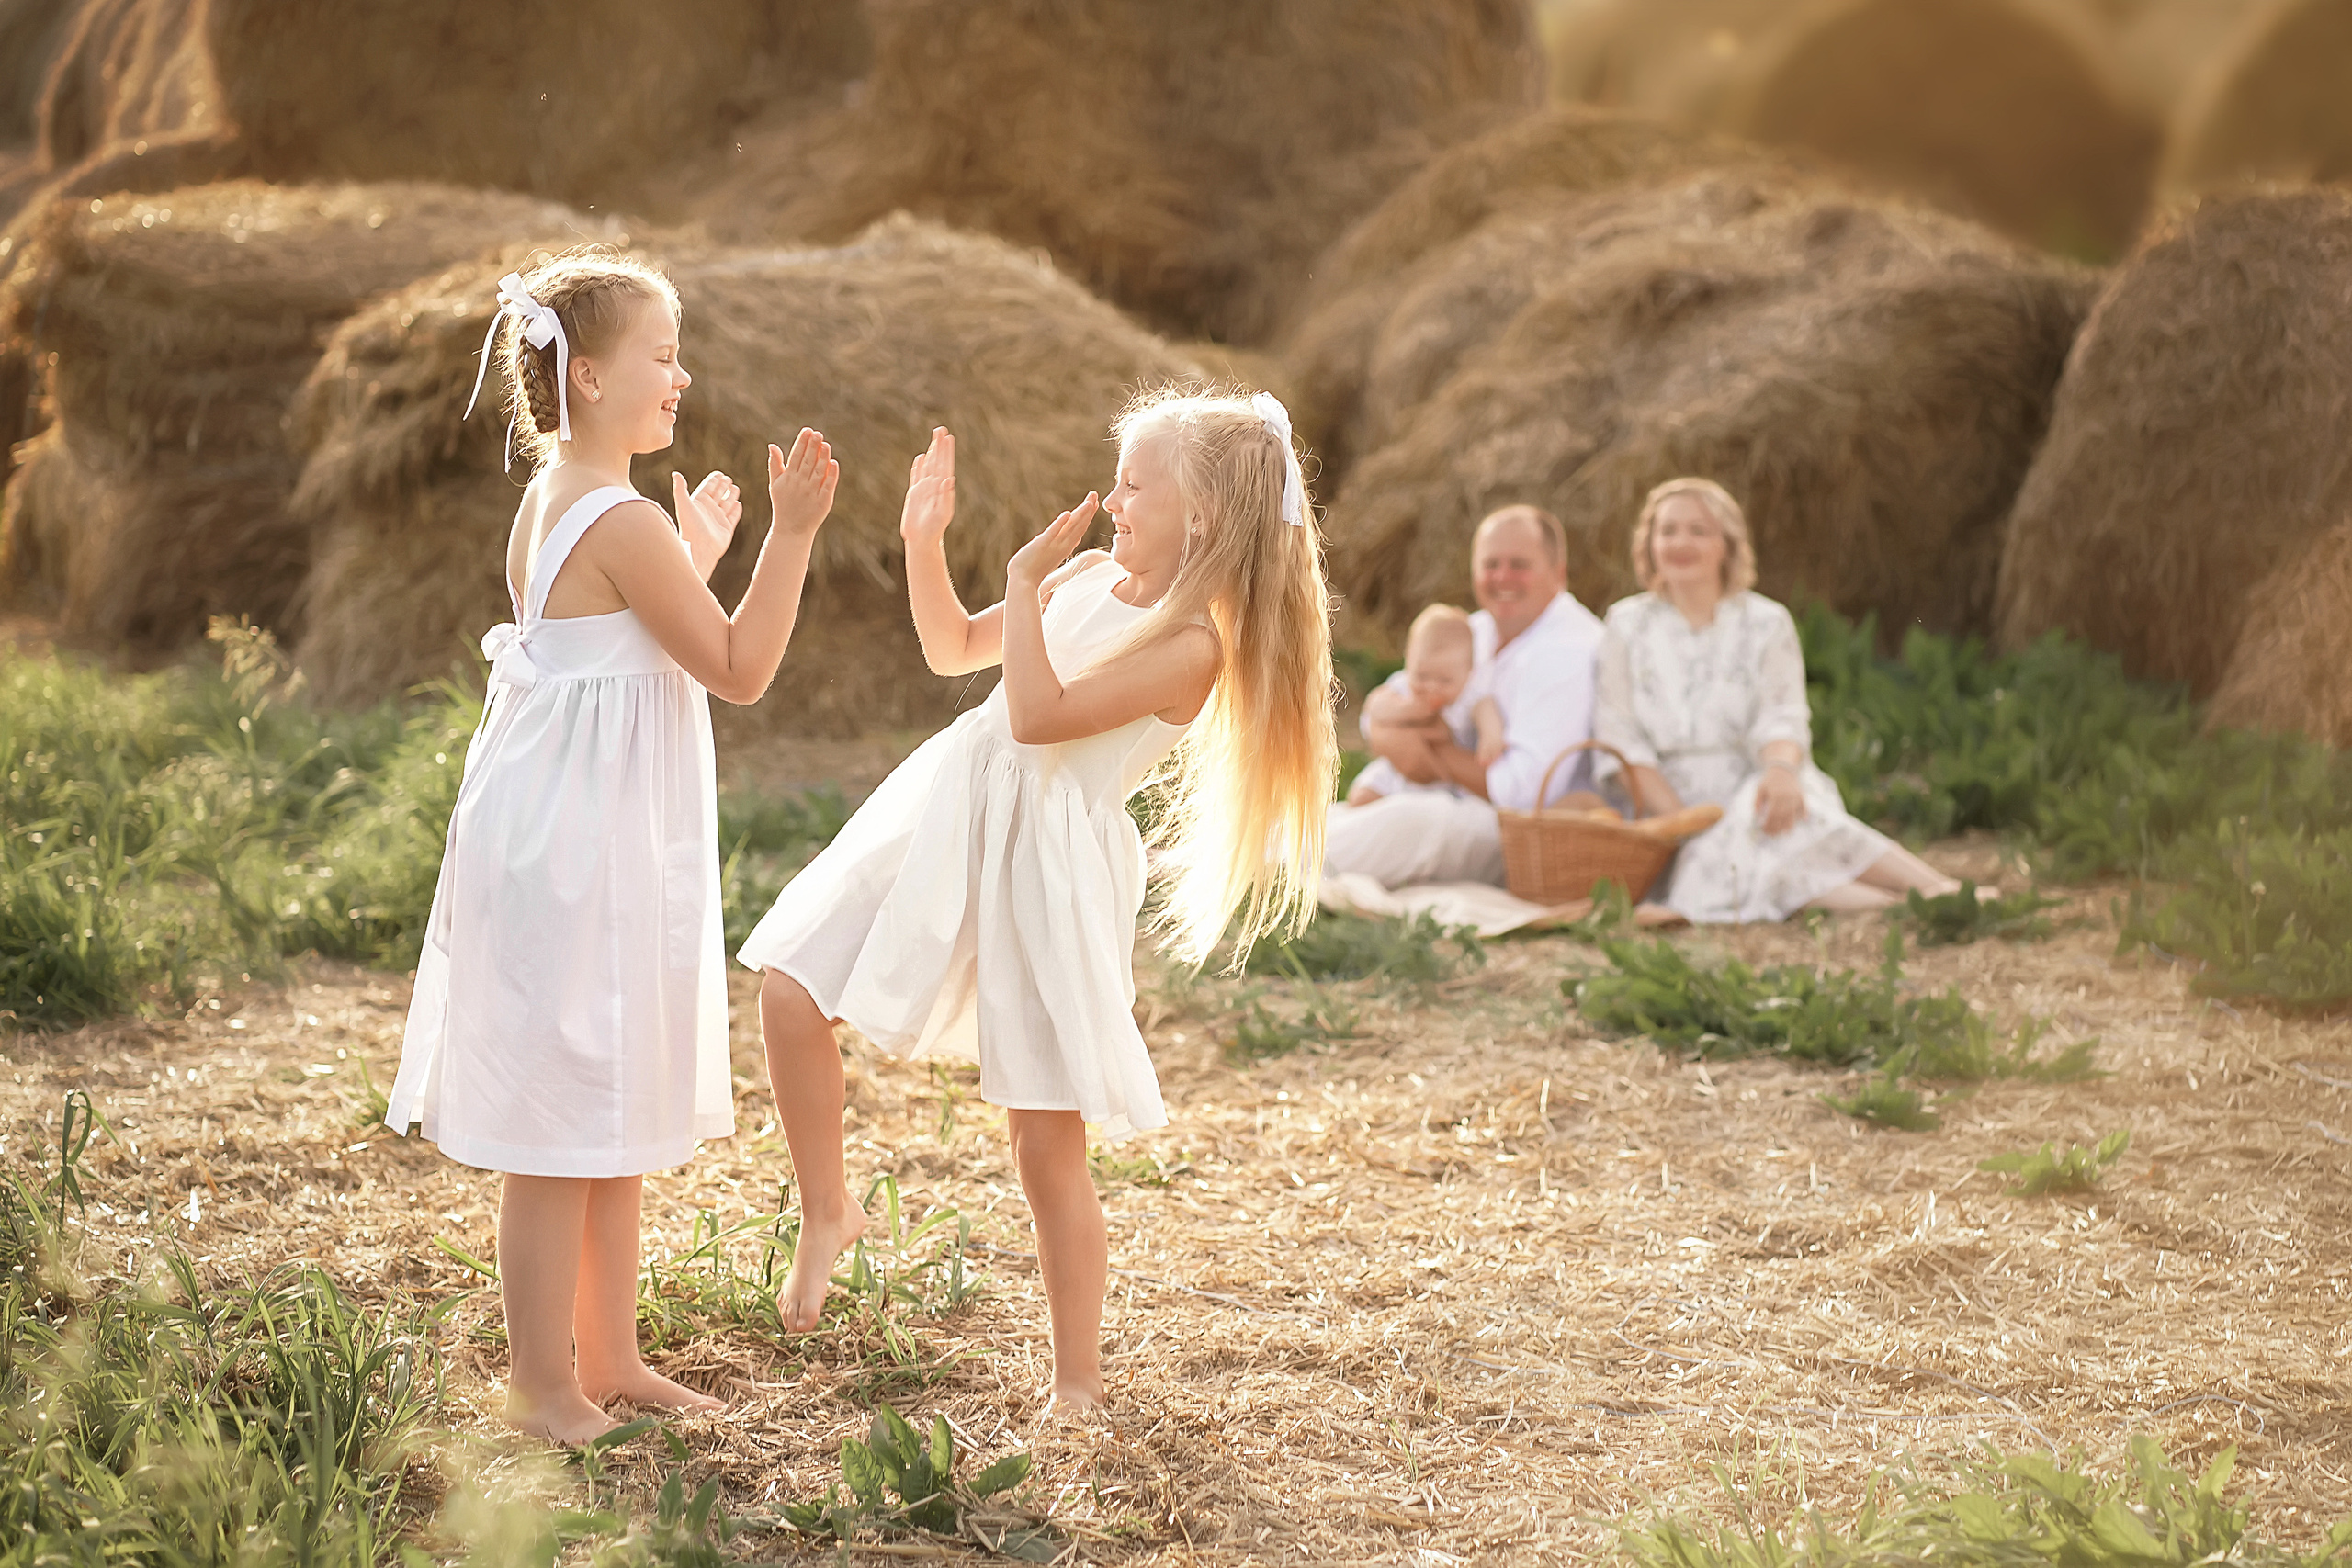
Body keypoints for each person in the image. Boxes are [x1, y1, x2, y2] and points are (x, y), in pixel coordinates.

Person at [739, 391, 1335, 1408]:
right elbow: (949, 651)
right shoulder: (1096, 575)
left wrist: (1022, 585)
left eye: (1134, 485)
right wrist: (924, 543)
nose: (1111, 502)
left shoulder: (1194, 649)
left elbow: (1040, 713)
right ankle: (826, 1208)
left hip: (1048, 862)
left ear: (1197, 515)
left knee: (1042, 1144)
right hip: (947, 809)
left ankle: (1077, 1382)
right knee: (789, 989)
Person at [385, 250, 841, 1443]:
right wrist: (788, 536)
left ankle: (610, 1354)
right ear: (587, 377)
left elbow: (613, 639)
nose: (681, 376)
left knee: (601, 1088)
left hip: (566, 833)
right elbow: (738, 669)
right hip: (586, 847)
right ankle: (542, 1381)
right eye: (663, 354)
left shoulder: (561, 500)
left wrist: (688, 553)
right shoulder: (619, 518)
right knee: (556, 1123)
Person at [1593, 477, 1968, 922]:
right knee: (1761, 862)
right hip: (1673, 802)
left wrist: (1780, 772)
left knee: (1775, 811)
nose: (1680, 543)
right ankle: (1919, 906)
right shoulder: (1625, 624)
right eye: (1667, 530)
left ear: (1727, 545)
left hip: (1762, 775)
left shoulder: (1767, 621)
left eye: (1698, 530)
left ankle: (1933, 888)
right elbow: (1620, 737)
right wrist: (1684, 821)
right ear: (1649, 544)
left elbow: (1783, 714)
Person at [1325, 504, 1604, 887]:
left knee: (1420, 821)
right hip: (1457, 797)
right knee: (1353, 810)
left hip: (1527, 834)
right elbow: (1382, 710)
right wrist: (1395, 733)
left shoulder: (1572, 650)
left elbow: (1522, 793)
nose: (1503, 577)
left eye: (1519, 564)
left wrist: (1433, 749)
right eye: (1491, 564)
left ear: (1559, 572)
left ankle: (1285, 876)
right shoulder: (1475, 630)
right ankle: (1275, 858)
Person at [1344, 604, 1505, 806]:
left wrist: (1492, 735)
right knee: (1361, 796)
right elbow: (1374, 706)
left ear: (1468, 673)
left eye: (1444, 680)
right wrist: (1404, 710)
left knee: (1437, 809)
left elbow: (1485, 708)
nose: (1431, 687)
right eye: (1422, 676)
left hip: (1443, 782)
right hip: (1396, 769)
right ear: (1408, 662)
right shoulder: (1403, 686)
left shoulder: (1469, 696)